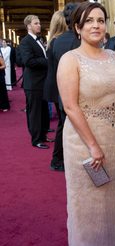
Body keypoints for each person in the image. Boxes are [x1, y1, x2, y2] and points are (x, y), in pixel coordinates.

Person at [57, 2, 115, 246]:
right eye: (89, 21)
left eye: (100, 20)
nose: (96, 25)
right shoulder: (70, 59)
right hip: (84, 142)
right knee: (89, 204)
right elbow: (70, 107)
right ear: (78, 28)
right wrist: (93, 146)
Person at [52, 2, 81, 170]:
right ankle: (71, 163)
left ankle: (58, 160)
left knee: (64, 127)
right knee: (73, 131)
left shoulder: (57, 41)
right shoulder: (79, 40)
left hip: (61, 92)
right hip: (76, 94)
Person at [19, 15, 50, 149]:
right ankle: (36, 139)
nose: (39, 25)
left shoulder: (40, 39)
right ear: (29, 26)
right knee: (35, 112)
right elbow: (28, 61)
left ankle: (42, 135)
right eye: (36, 23)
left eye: (39, 23)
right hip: (33, 83)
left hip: (42, 82)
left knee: (43, 110)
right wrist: (48, 61)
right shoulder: (26, 41)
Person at [43, 10, 67, 170]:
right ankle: (57, 159)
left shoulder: (53, 41)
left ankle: (58, 158)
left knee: (63, 124)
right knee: (63, 125)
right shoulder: (59, 41)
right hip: (58, 87)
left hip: (53, 87)